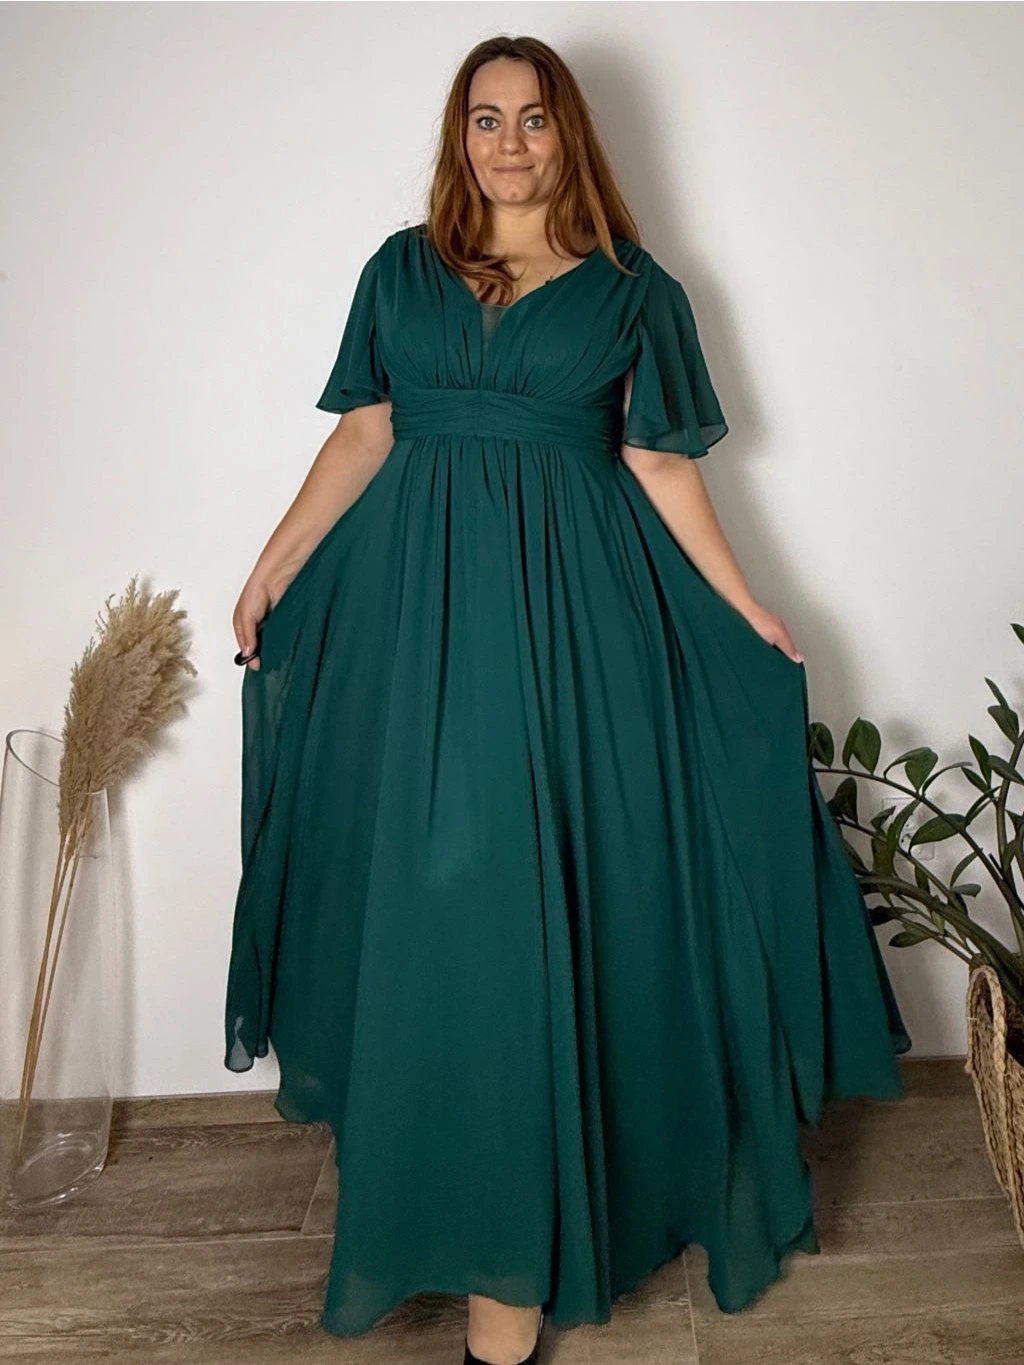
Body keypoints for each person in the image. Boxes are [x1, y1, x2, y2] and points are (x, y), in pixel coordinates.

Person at [225, 33, 911, 1365]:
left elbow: (659, 464)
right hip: (416, 618)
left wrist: (746, 608)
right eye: (485, 119)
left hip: (573, 623)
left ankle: (518, 1260)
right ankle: (451, 1192)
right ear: (459, 136)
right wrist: (270, 566)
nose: (509, 143)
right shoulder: (398, 269)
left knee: (546, 901)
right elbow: (365, 430)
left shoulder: (635, 291)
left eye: (533, 119)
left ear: (569, 134)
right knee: (437, 908)